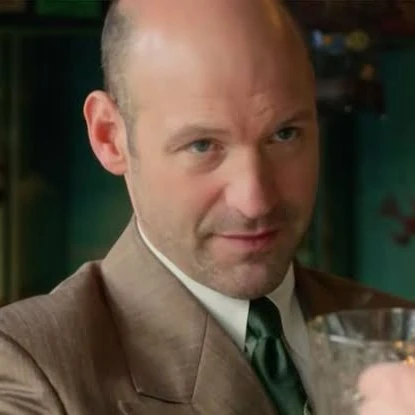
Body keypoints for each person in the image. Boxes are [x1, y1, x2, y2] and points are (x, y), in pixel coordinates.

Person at [0, 0, 413, 413]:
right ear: (110, 137)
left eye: (285, 134)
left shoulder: (400, 336)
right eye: (202, 145)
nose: (255, 201)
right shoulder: (29, 369)